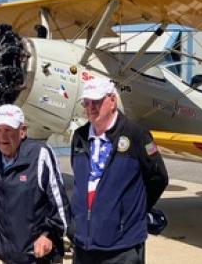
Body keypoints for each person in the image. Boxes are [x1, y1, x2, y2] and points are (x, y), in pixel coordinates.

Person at [69, 77, 169, 264]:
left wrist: (131, 211)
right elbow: (80, 182)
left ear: (112, 101)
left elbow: (158, 177)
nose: (90, 108)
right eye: (86, 102)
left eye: (97, 102)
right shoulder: (79, 137)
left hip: (122, 247)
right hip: (84, 245)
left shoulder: (136, 134)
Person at [0, 105, 70, 264]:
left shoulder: (40, 155)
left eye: (8, 130)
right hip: (7, 255)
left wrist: (48, 235)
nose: (2, 136)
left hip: (39, 256)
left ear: (22, 131)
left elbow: (60, 205)